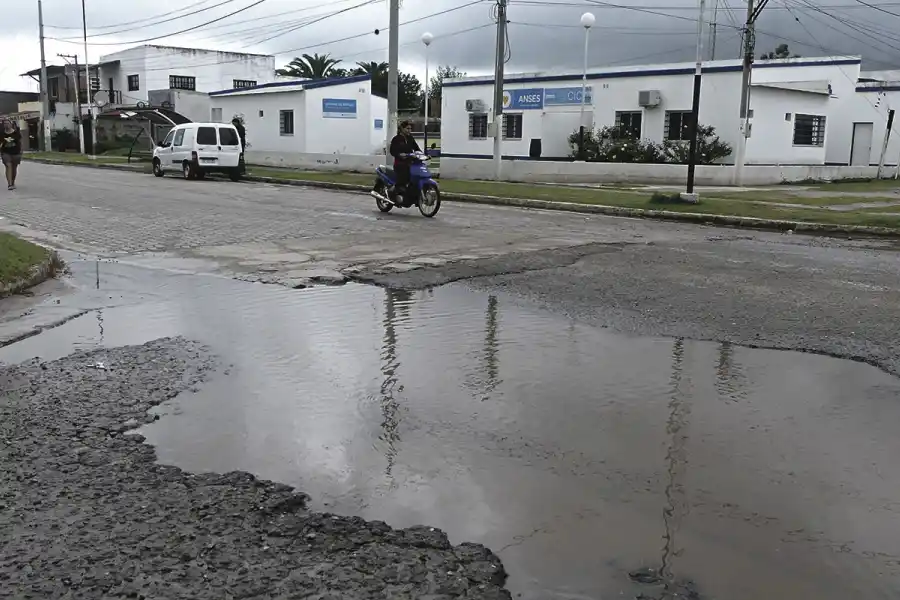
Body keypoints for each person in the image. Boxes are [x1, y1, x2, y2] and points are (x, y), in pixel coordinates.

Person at [388, 120, 421, 195]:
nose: (409, 130)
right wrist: (399, 154)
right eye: (407, 128)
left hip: (410, 163)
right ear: (402, 129)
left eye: (410, 129)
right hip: (400, 164)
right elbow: (392, 151)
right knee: (403, 179)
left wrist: (423, 155)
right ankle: (395, 191)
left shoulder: (410, 138)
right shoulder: (396, 139)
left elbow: (416, 148)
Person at [1, 120, 22, 191]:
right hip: (5, 152)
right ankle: (9, 184)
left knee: (14, 168)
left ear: (11, 124)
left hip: (16, 153)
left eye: (7, 123)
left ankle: (12, 182)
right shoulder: (1, 133)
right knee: (8, 166)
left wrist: (21, 152)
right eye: (5, 123)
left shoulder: (16, 133)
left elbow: (20, 142)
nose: (6, 125)